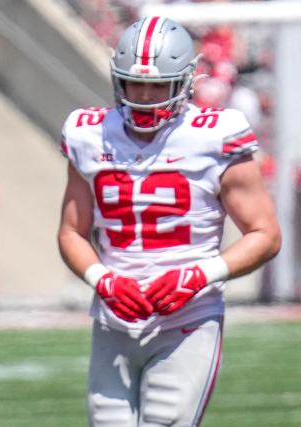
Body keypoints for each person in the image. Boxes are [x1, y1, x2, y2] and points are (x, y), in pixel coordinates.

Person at [57, 17, 280, 427]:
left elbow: (265, 234)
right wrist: (102, 280)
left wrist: (198, 276)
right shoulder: (90, 133)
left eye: (158, 85)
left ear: (186, 81)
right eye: (133, 84)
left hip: (187, 318)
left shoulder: (215, 133)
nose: (143, 97)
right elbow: (72, 231)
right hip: (114, 316)